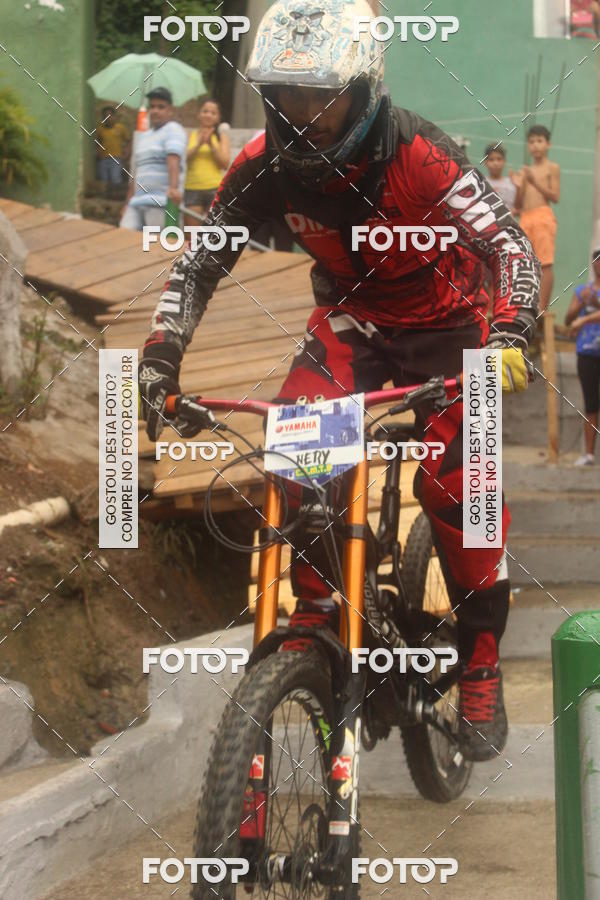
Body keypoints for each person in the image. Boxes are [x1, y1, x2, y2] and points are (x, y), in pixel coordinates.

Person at [138, 0, 540, 762]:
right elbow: (198, 261)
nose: (305, 116)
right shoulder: (261, 164)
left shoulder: (422, 155)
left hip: (454, 332)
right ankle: (321, 618)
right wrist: (161, 356)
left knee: (466, 495)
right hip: (353, 331)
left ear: (365, 89)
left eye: (323, 96)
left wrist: (514, 327)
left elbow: (509, 244)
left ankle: (481, 661)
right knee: (300, 454)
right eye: (288, 95)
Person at [120, 87, 186, 231]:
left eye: (161, 107)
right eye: (153, 107)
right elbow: (137, 172)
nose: (155, 111)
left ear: (170, 110)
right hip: (136, 203)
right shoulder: (144, 136)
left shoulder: (173, 129)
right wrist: (127, 202)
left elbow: (173, 159)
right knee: (123, 241)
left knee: (156, 249)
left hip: (161, 203)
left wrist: (173, 189)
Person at [510, 125, 560, 313]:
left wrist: (534, 181)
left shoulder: (552, 168)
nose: (535, 146)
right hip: (525, 217)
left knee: (545, 262)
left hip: (543, 215)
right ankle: (525, 303)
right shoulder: (525, 172)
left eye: (539, 141)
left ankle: (542, 307)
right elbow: (518, 204)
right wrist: (517, 186)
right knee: (525, 262)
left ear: (548, 144)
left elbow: (555, 197)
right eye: (531, 142)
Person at [564, 248, 600, 465]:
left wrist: (587, 315)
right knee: (591, 402)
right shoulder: (582, 291)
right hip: (586, 352)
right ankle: (588, 454)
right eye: (596, 260)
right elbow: (568, 320)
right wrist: (577, 309)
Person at [183, 99, 230, 226]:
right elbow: (182, 159)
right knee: (191, 235)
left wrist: (211, 145)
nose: (208, 115)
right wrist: (198, 145)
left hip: (215, 188)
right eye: (205, 111)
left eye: (213, 113)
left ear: (218, 117)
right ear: (199, 114)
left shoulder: (221, 137)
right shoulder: (190, 135)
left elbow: (225, 164)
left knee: (213, 233)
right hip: (192, 187)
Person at [96, 106, 129, 187]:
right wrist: (98, 153)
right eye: (105, 116)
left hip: (116, 158)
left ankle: (116, 198)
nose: (108, 118)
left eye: (110, 115)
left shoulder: (120, 128)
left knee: (115, 180)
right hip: (103, 159)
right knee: (104, 181)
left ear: (114, 117)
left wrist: (127, 153)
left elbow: (128, 141)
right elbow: (97, 142)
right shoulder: (100, 129)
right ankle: (104, 199)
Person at [483, 144, 516, 213]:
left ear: (504, 161)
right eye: (491, 160)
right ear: (485, 162)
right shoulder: (482, 184)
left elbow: (516, 209)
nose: (495, 163)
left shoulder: (512, 184)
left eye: (499, 159)